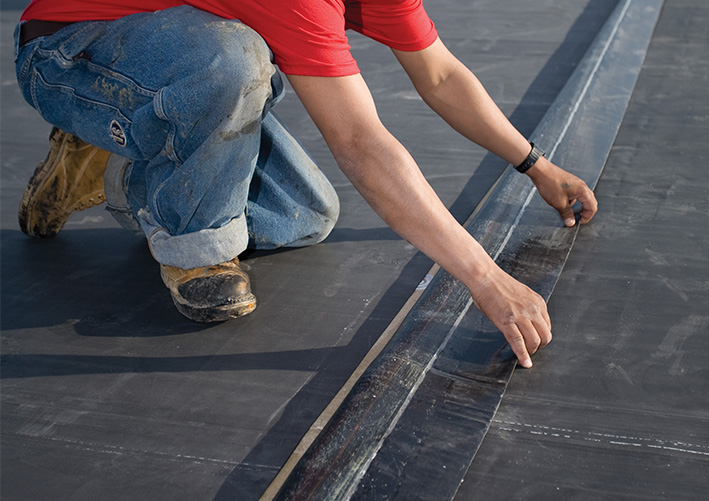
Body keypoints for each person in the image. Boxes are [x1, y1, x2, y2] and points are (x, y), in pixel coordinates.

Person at [13, 0, 597, 369]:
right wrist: (487, 278)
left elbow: (440, 74)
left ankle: (108, 162)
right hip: (69, 53)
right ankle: (195, 252)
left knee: (304, 215)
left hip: (168, 62)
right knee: (235, 57)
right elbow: (362, 146)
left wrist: (536, 165)